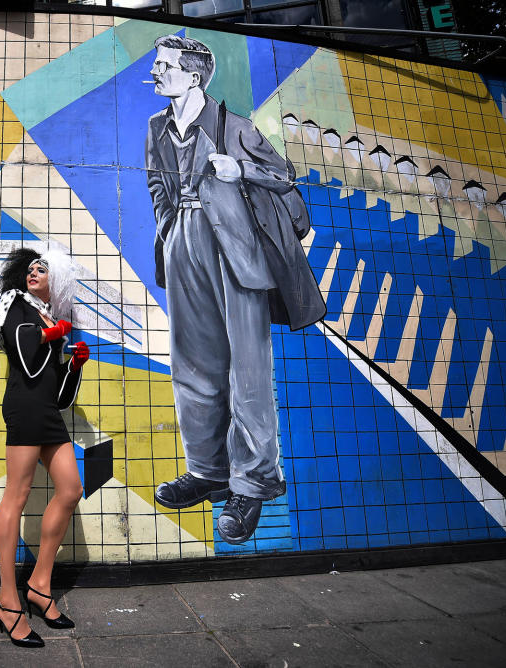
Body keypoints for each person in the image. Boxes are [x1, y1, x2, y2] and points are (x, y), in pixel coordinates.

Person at [145, 35, 326, 544]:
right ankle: (208, 471)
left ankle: (253, 482)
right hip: (183, 245)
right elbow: (156, 185)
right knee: (194, 365)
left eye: (163, 66)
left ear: (194, 74)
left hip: (236, 252)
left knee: (247, 370)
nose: (155, 73)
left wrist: (238, 167)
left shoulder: (235, 127)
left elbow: (283, 176)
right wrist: (171, 229)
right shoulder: (157, 127)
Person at [0, 248, 90, 648]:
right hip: (24, 408)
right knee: (17, 495)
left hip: (47, 411)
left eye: (42, 269)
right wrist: (51, 335)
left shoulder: (51, 318)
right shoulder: (17, 305)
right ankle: (8, 601)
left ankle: (40, 585)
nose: (33, 272)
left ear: (57, 280)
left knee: (70, 490)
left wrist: (74, 365)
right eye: (29, 268)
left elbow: (60, 395)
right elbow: (26, 359)